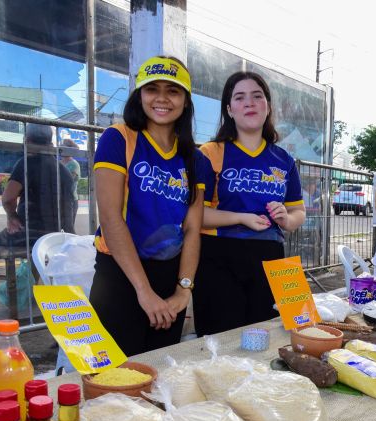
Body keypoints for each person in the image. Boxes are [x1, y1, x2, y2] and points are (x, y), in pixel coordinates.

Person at [90, 56, 203, 356]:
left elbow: (192, 228)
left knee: (161, 378)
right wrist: (144, 292)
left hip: (169, 279)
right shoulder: (118, 138)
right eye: (152, 88)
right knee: (113, 381)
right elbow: (111, 217)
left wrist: (183, 290)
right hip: (120, 277)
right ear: (139, 94)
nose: (162, 98)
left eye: (173, 90)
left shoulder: (196, 158)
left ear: (186, 101)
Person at [193, 71, 306, 336]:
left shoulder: (284, 160)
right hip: (219, 256)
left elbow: (298, 211)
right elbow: (196, 215)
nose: (249, 103)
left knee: (267, 338)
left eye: (257, 96)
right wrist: (241, 218)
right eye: (240, 97)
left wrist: (286, 220)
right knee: (221, 341)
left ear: (267, 106)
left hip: (272, 258)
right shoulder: (210, 153)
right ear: (229, 109)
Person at [0, 123, 76, 312]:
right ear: (50, 142)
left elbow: (9, 198)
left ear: (27, 140)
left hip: (29, 235)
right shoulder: (64, 171)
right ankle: (32, 293)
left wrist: (13, 216)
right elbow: (71, 206)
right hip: (55, 237)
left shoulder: (27, 163)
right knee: (36, 253)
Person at [61, 138, 81, 224]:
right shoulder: (59, 163)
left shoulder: (74, 164)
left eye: (63, 146)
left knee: (68, 227)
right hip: (59, 199)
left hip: (70, 199)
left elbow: (69, 181)